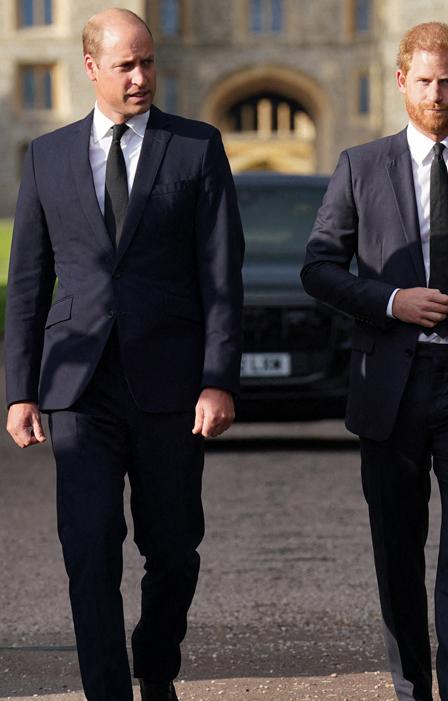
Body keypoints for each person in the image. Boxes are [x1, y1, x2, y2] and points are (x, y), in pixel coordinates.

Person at [5, 8, 244, 701]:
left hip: (171, 385)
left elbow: (221, 273)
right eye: (125, 65)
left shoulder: (195, 147)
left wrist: (217, 378)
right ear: (90, 68)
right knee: (89, 547)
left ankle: (155, 662)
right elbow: (27, 281)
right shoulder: (46, 155)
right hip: (77, 387)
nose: (141, 77)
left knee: (172, 550)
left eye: (148, 63)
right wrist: (20, 389)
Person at [302, 21, 448, 701]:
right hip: (390, 387)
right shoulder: (359, 167)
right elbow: (318, 267)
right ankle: (412, 688)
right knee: (397, 554)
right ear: (401, 80)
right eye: (423, 80)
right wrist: (390, 300)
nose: (436, 94)